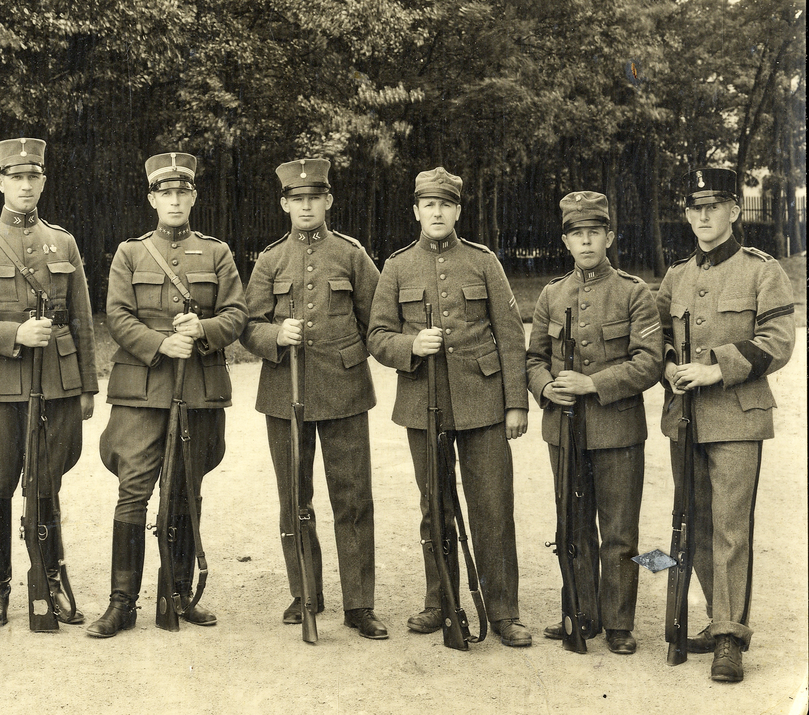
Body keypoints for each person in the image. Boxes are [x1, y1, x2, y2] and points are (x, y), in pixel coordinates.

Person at [367, 166, 533, 647]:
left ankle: (503, 612)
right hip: (424, 403)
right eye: (429, 205)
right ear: (416, 211)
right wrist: (411, 345)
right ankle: (440, 600)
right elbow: (377, 336)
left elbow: (509, 335)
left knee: (493, 507)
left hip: (483, 402)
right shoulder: (397, 266)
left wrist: (516, 404)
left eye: (445, 204)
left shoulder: (483, 261)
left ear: (458, 211)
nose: (437, 212)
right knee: (434, 506)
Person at [87, 152, 247, 638]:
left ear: (193, 198)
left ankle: (177, 594)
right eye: (166, 193)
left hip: (197, 391)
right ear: (152, 199)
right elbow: (117, 316)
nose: (174, 201)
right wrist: (161, 343)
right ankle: (121, 603)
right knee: (133, 491)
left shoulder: (216, 253)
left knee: (184, 491)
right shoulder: (130, 252)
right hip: (141, 392)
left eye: (182, 193)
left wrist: (203, 329)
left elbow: (237, 315)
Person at [655, 167, 795, 683]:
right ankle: (719, 619)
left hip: (737, 416)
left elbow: (778, 341)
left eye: (713, 206)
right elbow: (656, 336)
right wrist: (669, 366)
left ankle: (730, 639)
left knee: (731, 529)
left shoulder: (762, 270)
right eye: (695, 208)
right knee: (694, 524)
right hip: (684, 417)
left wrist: (716, 368)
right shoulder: (676, 276)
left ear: (734, 210)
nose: (704, 216)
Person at [0, 137, 98, 627]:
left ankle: (51, 579)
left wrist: (87, 387)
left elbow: (82, 319)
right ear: (0, 182)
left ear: (43, 181)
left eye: (33, 176)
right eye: (16, 177)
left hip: (56, 381)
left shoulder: (64, 242)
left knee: (46, 483)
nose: (26, 185)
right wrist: (14, 333)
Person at [239, 158, 386, 639]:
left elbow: (378, 322)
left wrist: (349, 352)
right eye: (297, 199)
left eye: (314, 198)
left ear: (328, 201)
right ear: (284, 204)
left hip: (345, 392)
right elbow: (248, 325)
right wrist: (275, 335)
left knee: (353, 499)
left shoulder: (351, 255)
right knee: (294, 499)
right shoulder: (270, 260)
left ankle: (359, 604)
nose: (306, 206)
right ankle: (305, 593)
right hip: (285, 393)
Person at [525, 191, 663, 655]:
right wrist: (546, 387)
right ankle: (583, 613)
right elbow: (533, 359)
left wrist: (591, 384)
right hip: (564, 431)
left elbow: (649, 362)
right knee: (573, 527)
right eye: (577, 234)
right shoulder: (551, 294)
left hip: (618, 430)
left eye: (594, 233)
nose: (586, 241)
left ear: (609, 237)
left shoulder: (633, 292)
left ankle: (619, 622)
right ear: (565, 241)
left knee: (619, 532)